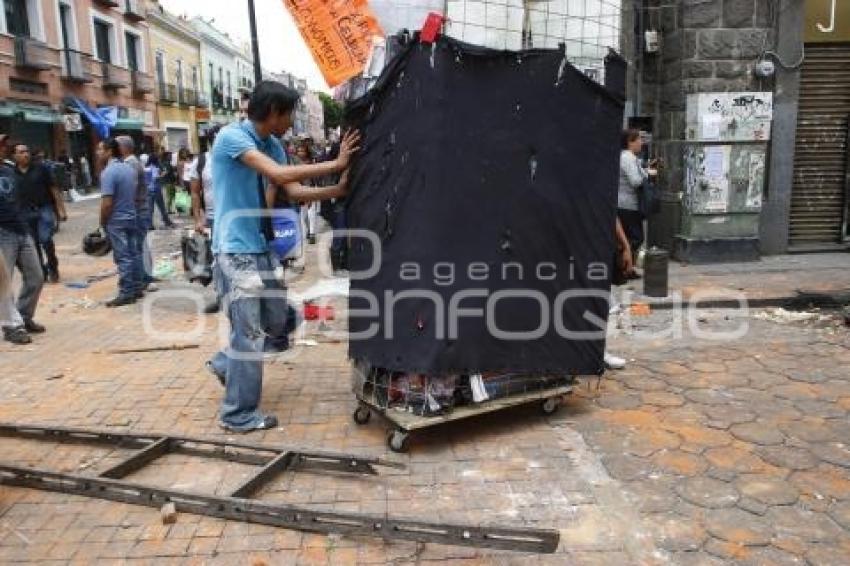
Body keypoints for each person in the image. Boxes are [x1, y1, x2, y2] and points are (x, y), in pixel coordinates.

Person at [206, 80, 360, 433]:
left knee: (280, 322)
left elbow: (290, 188)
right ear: (274, 112)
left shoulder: (272, 144)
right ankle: (237, 415)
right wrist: (335, 162)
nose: (292, 121)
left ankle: (225, 364)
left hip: (258, 246)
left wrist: (336, 188)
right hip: (234, 251)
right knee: (251, 334)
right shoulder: (233, 137)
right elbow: (277, 174)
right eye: (289, 114)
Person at [0, 135, 45, 343]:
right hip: (2, 234)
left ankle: (24, 316)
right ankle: (11, 326)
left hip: (22, 230)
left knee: (36, 276)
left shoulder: (10, 170)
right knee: (3, 283)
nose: (4, 148)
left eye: (4, 145)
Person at [12, 144, 67, 283]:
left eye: (27, 151)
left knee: (45, 239)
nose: (25, 154)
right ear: (14, 156)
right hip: (24, 212)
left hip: (44, 208)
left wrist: (61, 209)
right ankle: (41, 271)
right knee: (33, 244)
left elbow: (54, 188)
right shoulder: (12, 173)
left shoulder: (41, 169)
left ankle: (53, 267)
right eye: (21, 152)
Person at [98, 139, 142, 307]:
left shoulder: (108, 172)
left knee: (122, 256)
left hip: (116, 220)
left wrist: (103, 221)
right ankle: (137, 287)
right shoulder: (128, 169)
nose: (98, 153)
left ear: (109, 151)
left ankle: (127, 292)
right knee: (133, 253)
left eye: (100, 150)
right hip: (131, 216)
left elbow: (107, 202)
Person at [117, 136, 154, 293]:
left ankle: (140, 280)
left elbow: (130, 190)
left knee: (137, 247)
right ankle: (144, 277)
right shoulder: (132, 163)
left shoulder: (130, 164)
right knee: (140, 246)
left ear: (124, 148)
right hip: (140, 209)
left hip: (137, 210)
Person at [619, 129, 657, 277]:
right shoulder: (627, 158)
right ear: (630, 142)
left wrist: (647, 171)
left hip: (629, 204)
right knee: (635, 238)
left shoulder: (630, 157)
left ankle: (627, 268)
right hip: (627, 205)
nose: (641, 142)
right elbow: (635, 181)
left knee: (631, 237)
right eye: (639, 139)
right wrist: (646, 177)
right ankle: (623, 268)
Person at [145, 154, 174, 229]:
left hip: (148, 190)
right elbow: (155, 178)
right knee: (162, 207)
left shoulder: (146, 168)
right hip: (156, 189)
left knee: (150, 209)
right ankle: (167, 221)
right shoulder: (155, 168)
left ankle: (149, 224)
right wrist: (163, 174)